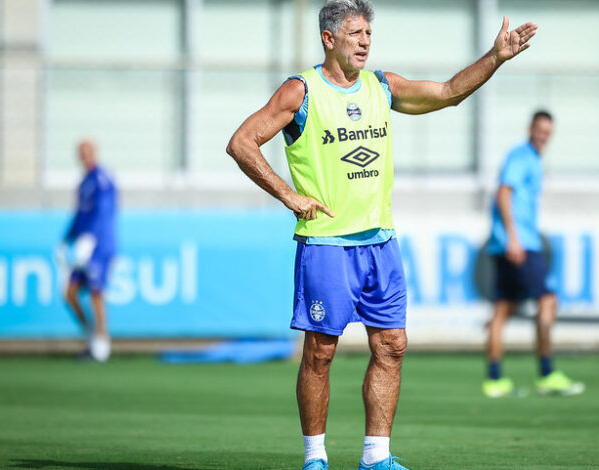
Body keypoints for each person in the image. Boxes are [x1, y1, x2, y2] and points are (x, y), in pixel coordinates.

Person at [226, 1, 536, 468]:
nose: (366, 41)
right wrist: (289, 196)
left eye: (369, 33)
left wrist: (494, 58)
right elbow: (241, 142)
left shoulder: (381, 86)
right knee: (320, 353)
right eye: (355, 33)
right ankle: (315, 458)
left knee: (392, 346)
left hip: (381, 244)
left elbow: (449, 92)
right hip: (327, 245)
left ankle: (376, 457)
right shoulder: (300, 91)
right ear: (329, 39)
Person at [482, 110, 584, 398]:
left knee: (503, 309)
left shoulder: (530, 159)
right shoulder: (522, 157)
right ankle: (547, 372)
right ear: (530, 128)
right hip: (521, 243)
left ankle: (494, 380)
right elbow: (503, 193)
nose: (543, 136)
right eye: (540, 130)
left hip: (505, 242)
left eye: (547, 132)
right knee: (548, 300)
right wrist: (514, 238)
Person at [60, 140, 118, 363]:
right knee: (70, 293)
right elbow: (80, 214)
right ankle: (90, 335)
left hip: (100, 246)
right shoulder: (83, 182)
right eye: (81, 153)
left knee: (96, 292)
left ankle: (102, 342)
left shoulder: (102, 179)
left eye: (87, 152)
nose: (84, 156)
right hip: (83, 245)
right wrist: (66, 240)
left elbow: (104, 212)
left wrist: (92, 238)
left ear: (94, 153)